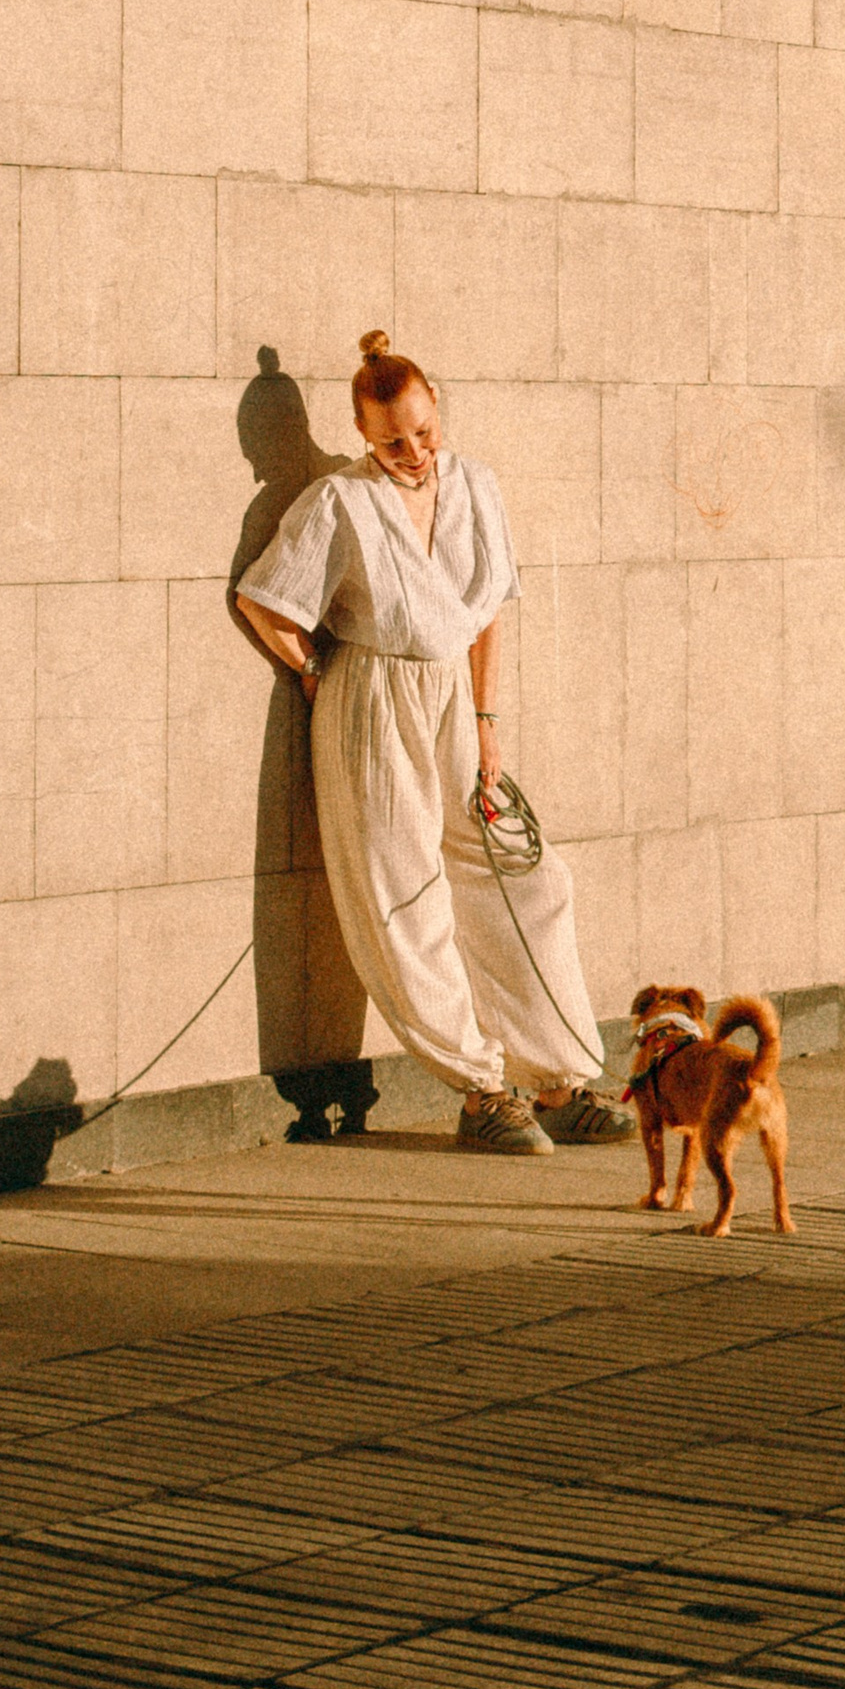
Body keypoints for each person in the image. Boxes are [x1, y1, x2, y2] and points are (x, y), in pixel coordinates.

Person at [234, 333, 633, 1156]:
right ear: (359, 431)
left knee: (524, 871)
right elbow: (262, 602)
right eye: (391, 440)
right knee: (403, 889)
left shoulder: (476, 486)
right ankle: (483, 1090)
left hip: (454, 697)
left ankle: (558, 1077)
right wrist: (318, 673)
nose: (412, 453)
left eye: (422, 432)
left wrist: (487, 728)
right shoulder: (338, 502)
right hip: (370, 702)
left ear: (436, 409)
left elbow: (487, 611)